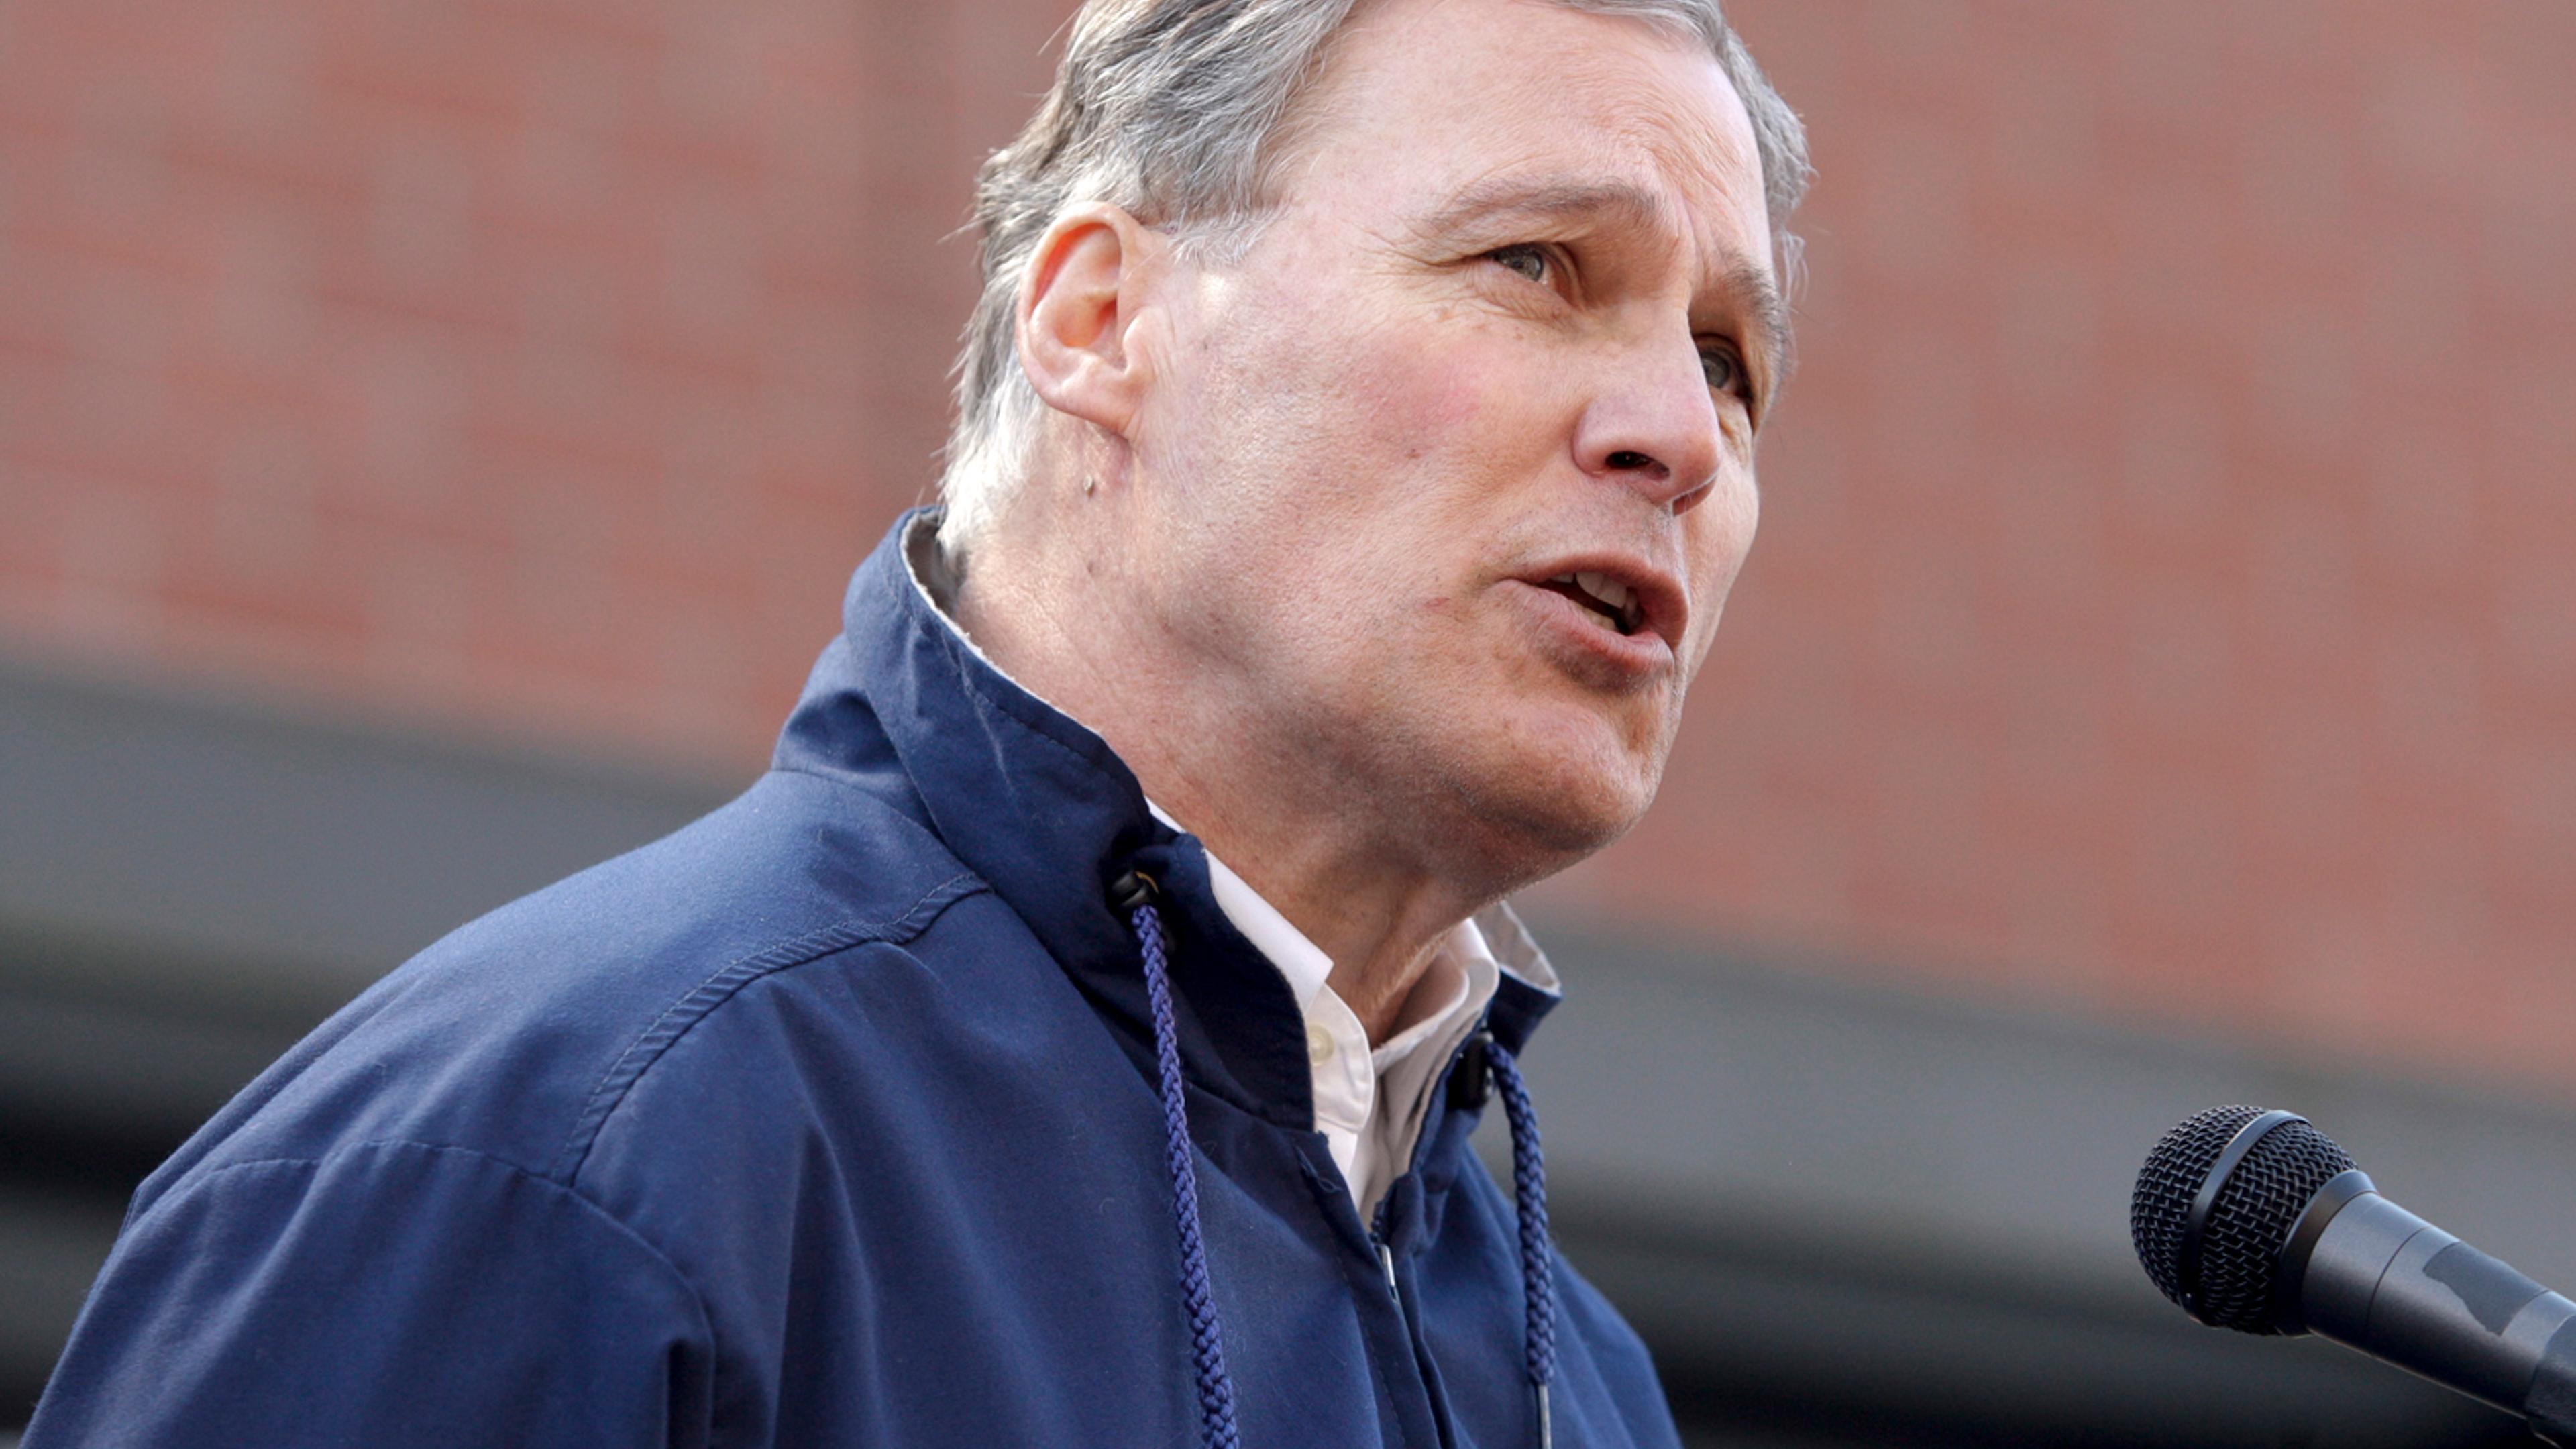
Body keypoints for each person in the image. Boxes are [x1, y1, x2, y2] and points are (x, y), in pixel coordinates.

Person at [23, 0, 1807, 1443]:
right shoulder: (562, 1168)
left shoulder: (1581, 1388)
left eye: (1732, 358)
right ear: (1103, 317)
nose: (1679, 432)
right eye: (1534, 265)